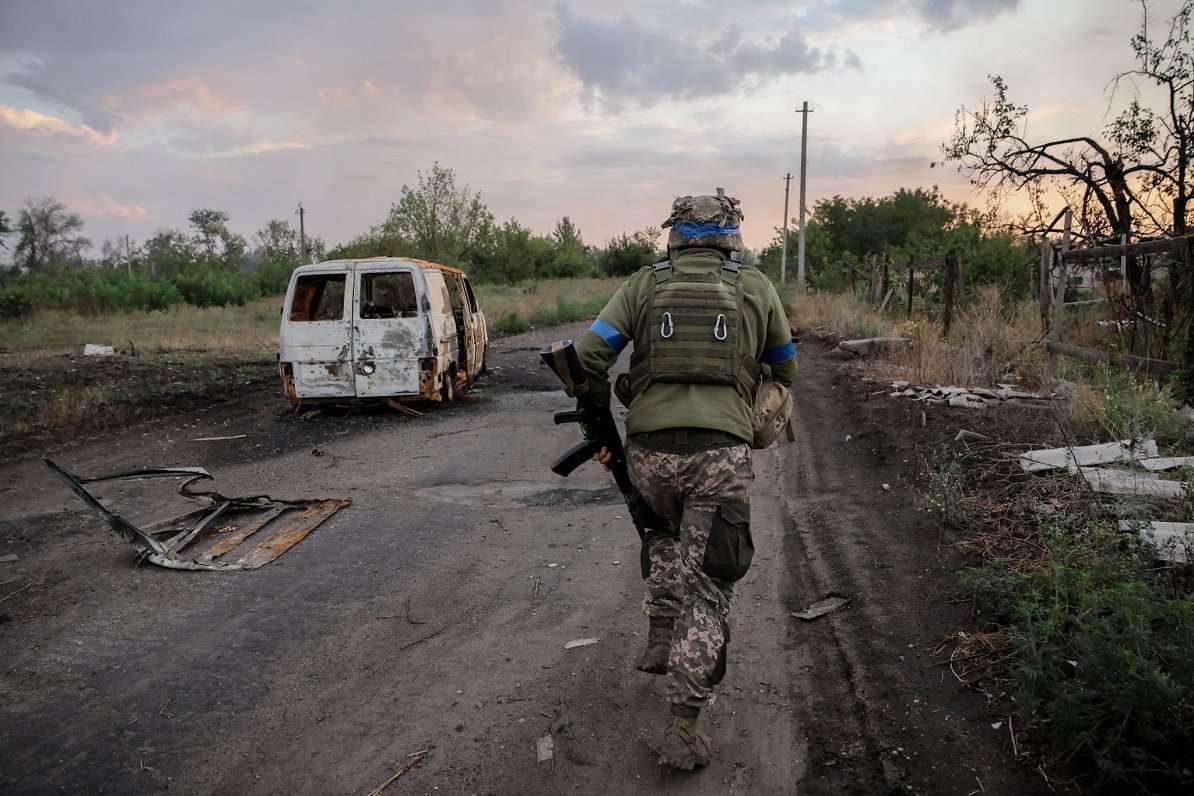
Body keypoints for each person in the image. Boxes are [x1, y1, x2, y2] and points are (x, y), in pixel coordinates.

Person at [574, 189, 797, 770]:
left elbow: (588, 353)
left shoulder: (644, 285)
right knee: (712, 586)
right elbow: (787, 366)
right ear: (732, 234)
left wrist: (602, 421)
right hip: (720, 454)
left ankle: (659, 636)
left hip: (649, 452)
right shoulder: (755, 285)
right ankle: (682, 729)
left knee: (663, 534)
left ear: (673, 232)